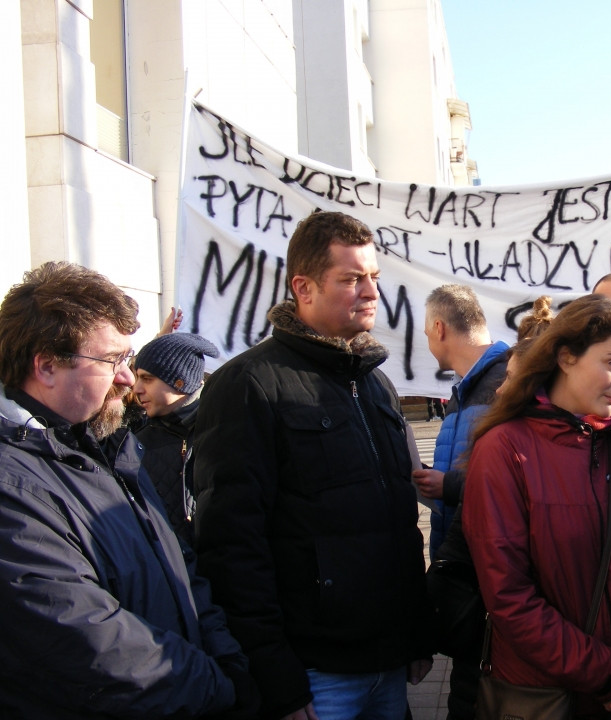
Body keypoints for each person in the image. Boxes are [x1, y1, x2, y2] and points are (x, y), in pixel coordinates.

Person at [193, 210, 432, 720]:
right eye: (350, 279)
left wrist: (414, 634)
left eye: (374, 278)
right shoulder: (249, 385)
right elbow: (231, 546)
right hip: (312, 675)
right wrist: (274, 674)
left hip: (389, 662)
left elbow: (398, 523)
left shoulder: (376, 383)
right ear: (303, 287)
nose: (371, 292)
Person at [0, 261, 256, 718]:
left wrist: (230, 663)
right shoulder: (12, 487)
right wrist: (218, 687)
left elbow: (182, 571)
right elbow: (90, 643)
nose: (126, 379)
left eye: (128, 360)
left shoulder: (108, 446)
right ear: (46, 366)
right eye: (112, 360)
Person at [462, 294, 611, 720]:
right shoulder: (504, 449)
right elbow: (509, 596)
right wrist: (606, 673)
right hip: (543, 698)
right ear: (565, 357)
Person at [414, 284, 510, 558]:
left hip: (487, 570)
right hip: (460, 563)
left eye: (427, 335)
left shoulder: (508, 383)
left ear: (439, 328)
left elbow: (520, 480)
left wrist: (449, 486)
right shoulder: (465, 387)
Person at [133, 332, 220, 547]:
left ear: (180, 381)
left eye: (147, 378)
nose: (136, 388)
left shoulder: (223, 430)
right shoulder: (136, 442)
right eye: (137, 377)